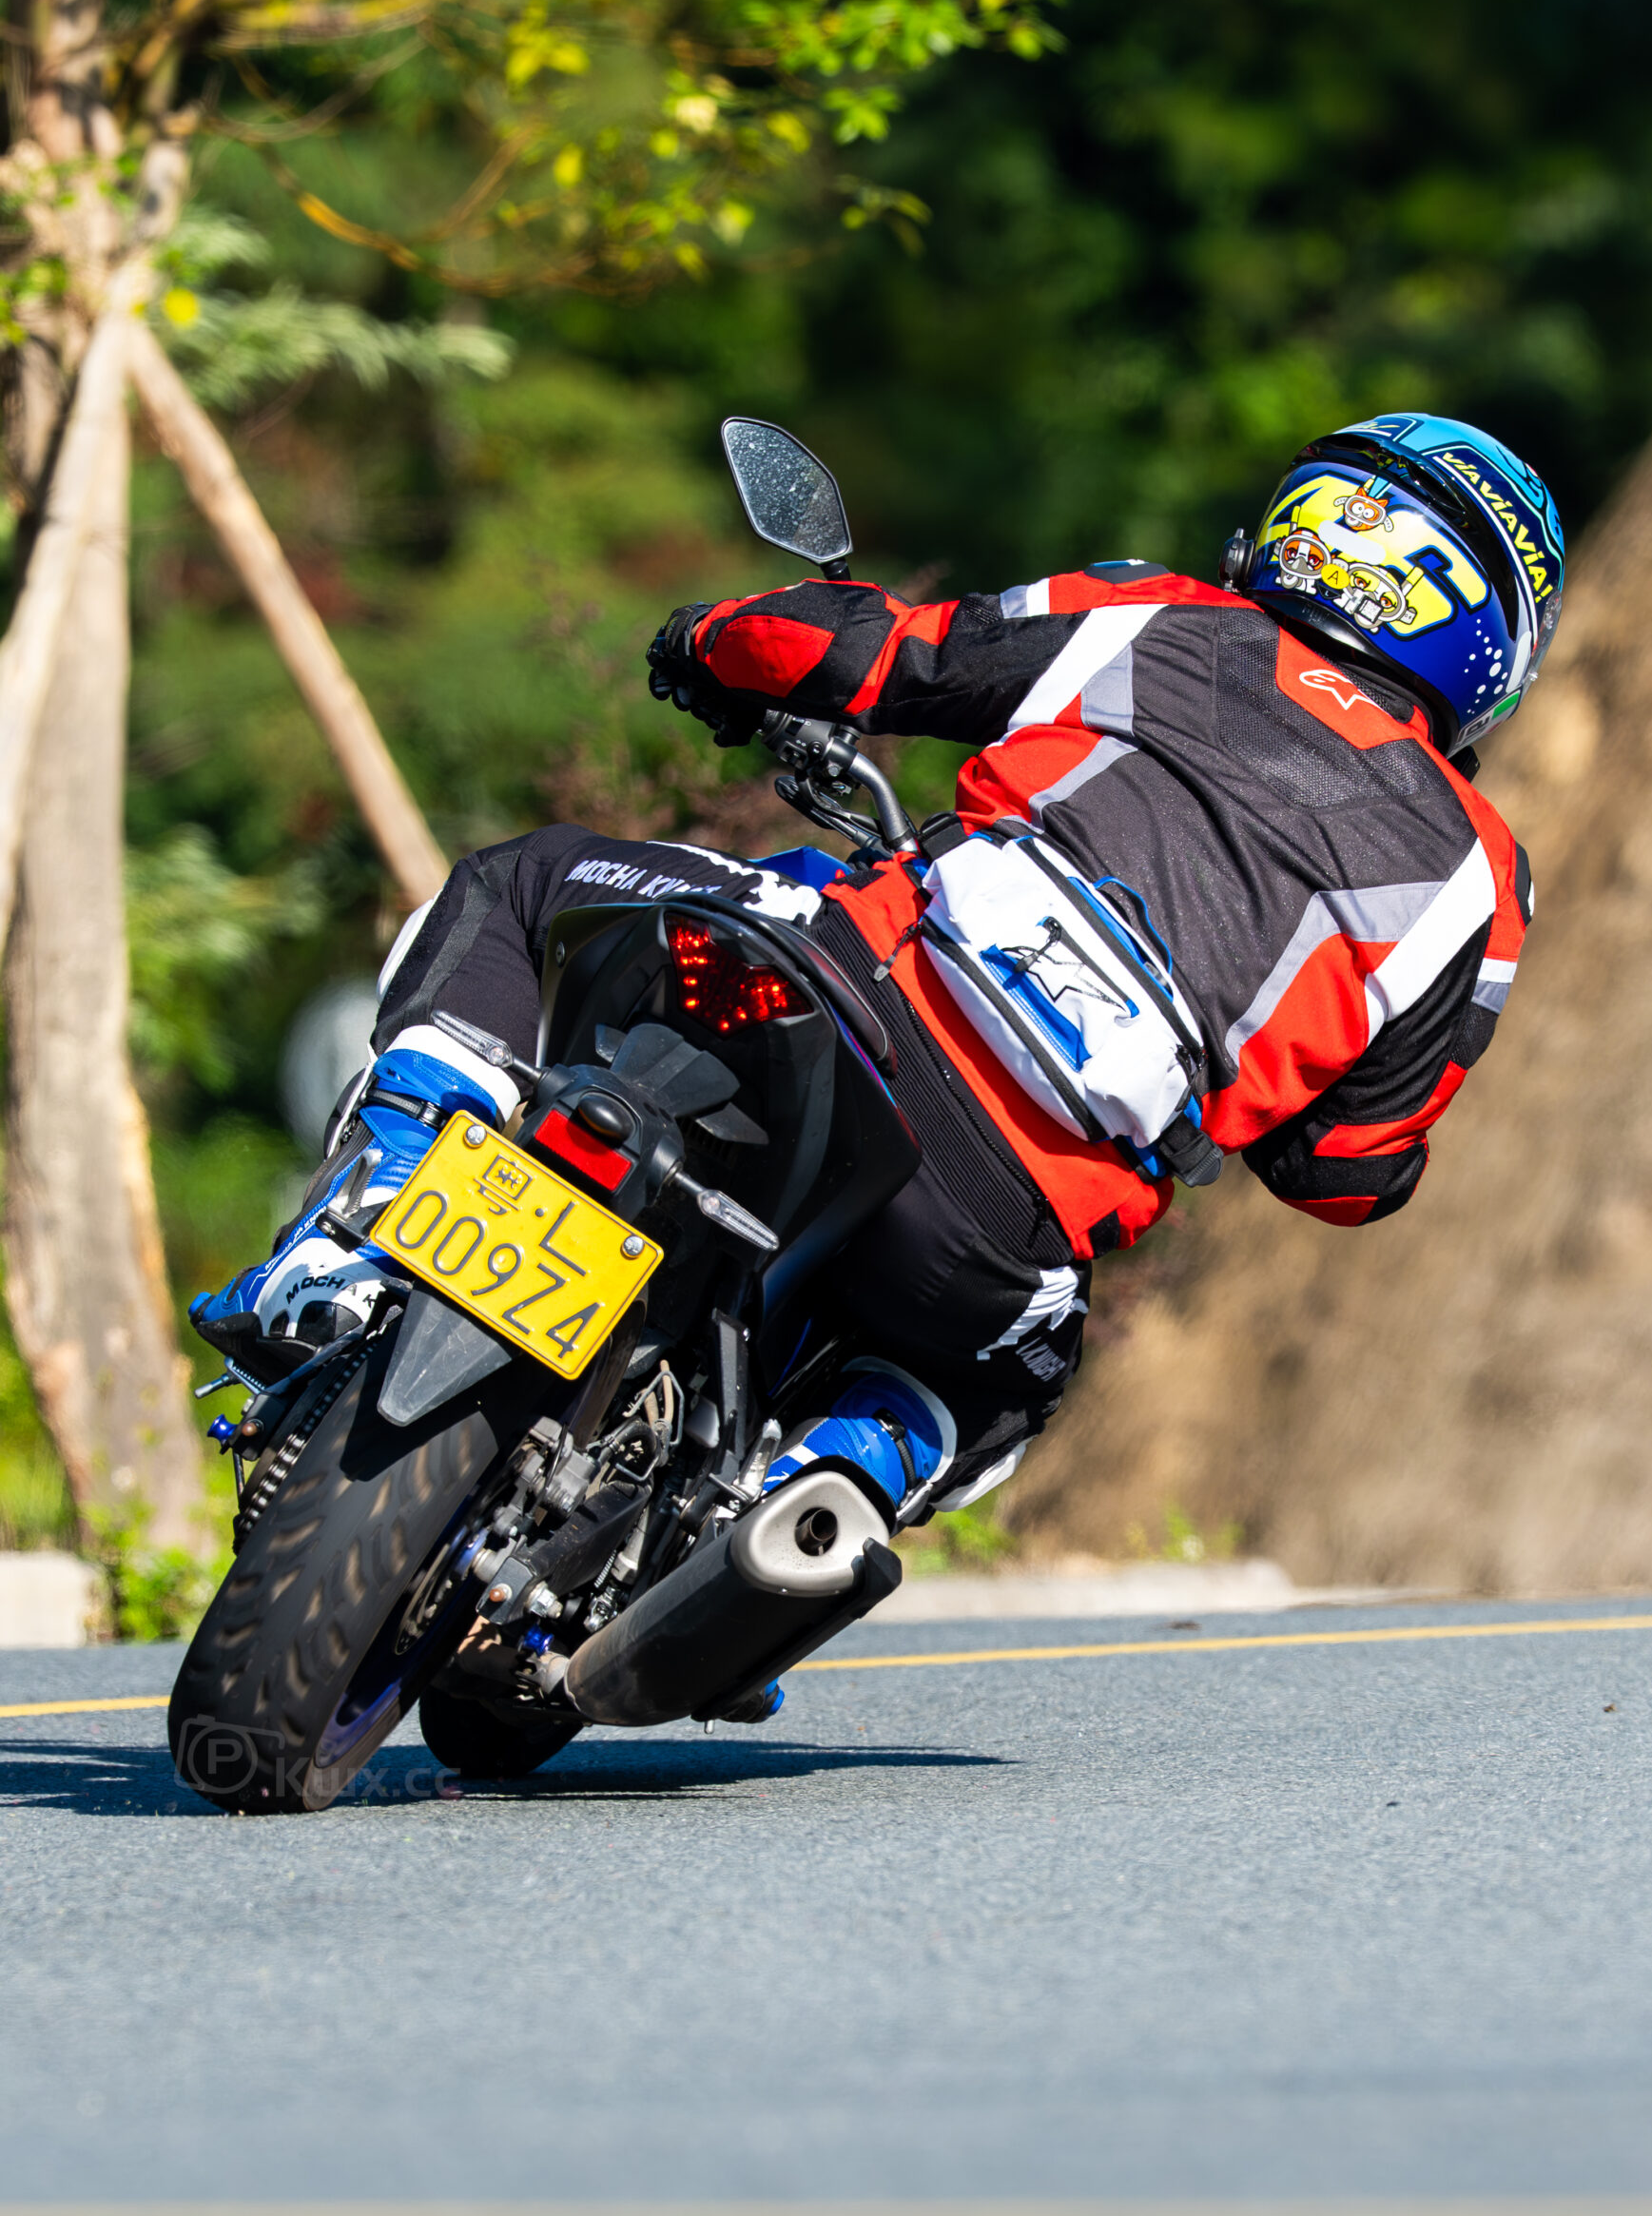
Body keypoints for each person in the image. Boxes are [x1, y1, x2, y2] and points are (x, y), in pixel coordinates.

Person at [194, 411, 1563, 1632]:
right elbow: (1347, 1172)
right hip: (1000, 1219)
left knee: (520, 883)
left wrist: (706, 644)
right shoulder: (1482, 881)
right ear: (1492, 638)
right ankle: (813, 1496)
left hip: (837, 1000)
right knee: (1015, 1373)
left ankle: (365, 1222)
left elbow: (870, 651)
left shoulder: (1166, 620)